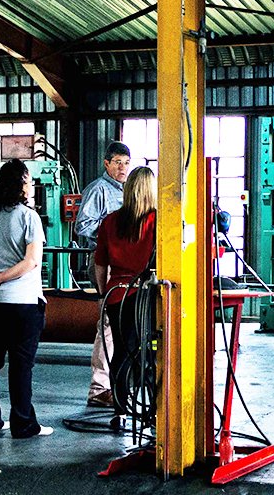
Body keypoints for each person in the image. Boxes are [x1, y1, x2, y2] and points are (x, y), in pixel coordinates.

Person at [0, 159, 53, 439]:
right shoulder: (29, 217)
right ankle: (23, 424)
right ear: (20, 185)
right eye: (28, 181)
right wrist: (1, 277)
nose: (30, 186)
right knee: (20, 365)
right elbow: (31, 262)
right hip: (22, 302)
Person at [93, 167, 157, 424]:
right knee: (151, 352)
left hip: (116, 296)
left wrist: (102, 293)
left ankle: (120, 410)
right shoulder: (159, 220)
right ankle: (152, 409)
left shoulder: (110, 221)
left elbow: (100, 263)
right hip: (148, 296)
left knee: (121, 353)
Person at [75, 141, 131, 408]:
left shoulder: (126, 191)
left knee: (121, 327)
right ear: (106, 164)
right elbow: (83, 225)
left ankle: (119, 384)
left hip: (123, 264)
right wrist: (113, 234)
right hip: (104, 262)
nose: (122, 168)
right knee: (107, 327)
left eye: (126, 163)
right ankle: (99, 389)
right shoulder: (98, 190)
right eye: (118, 162)